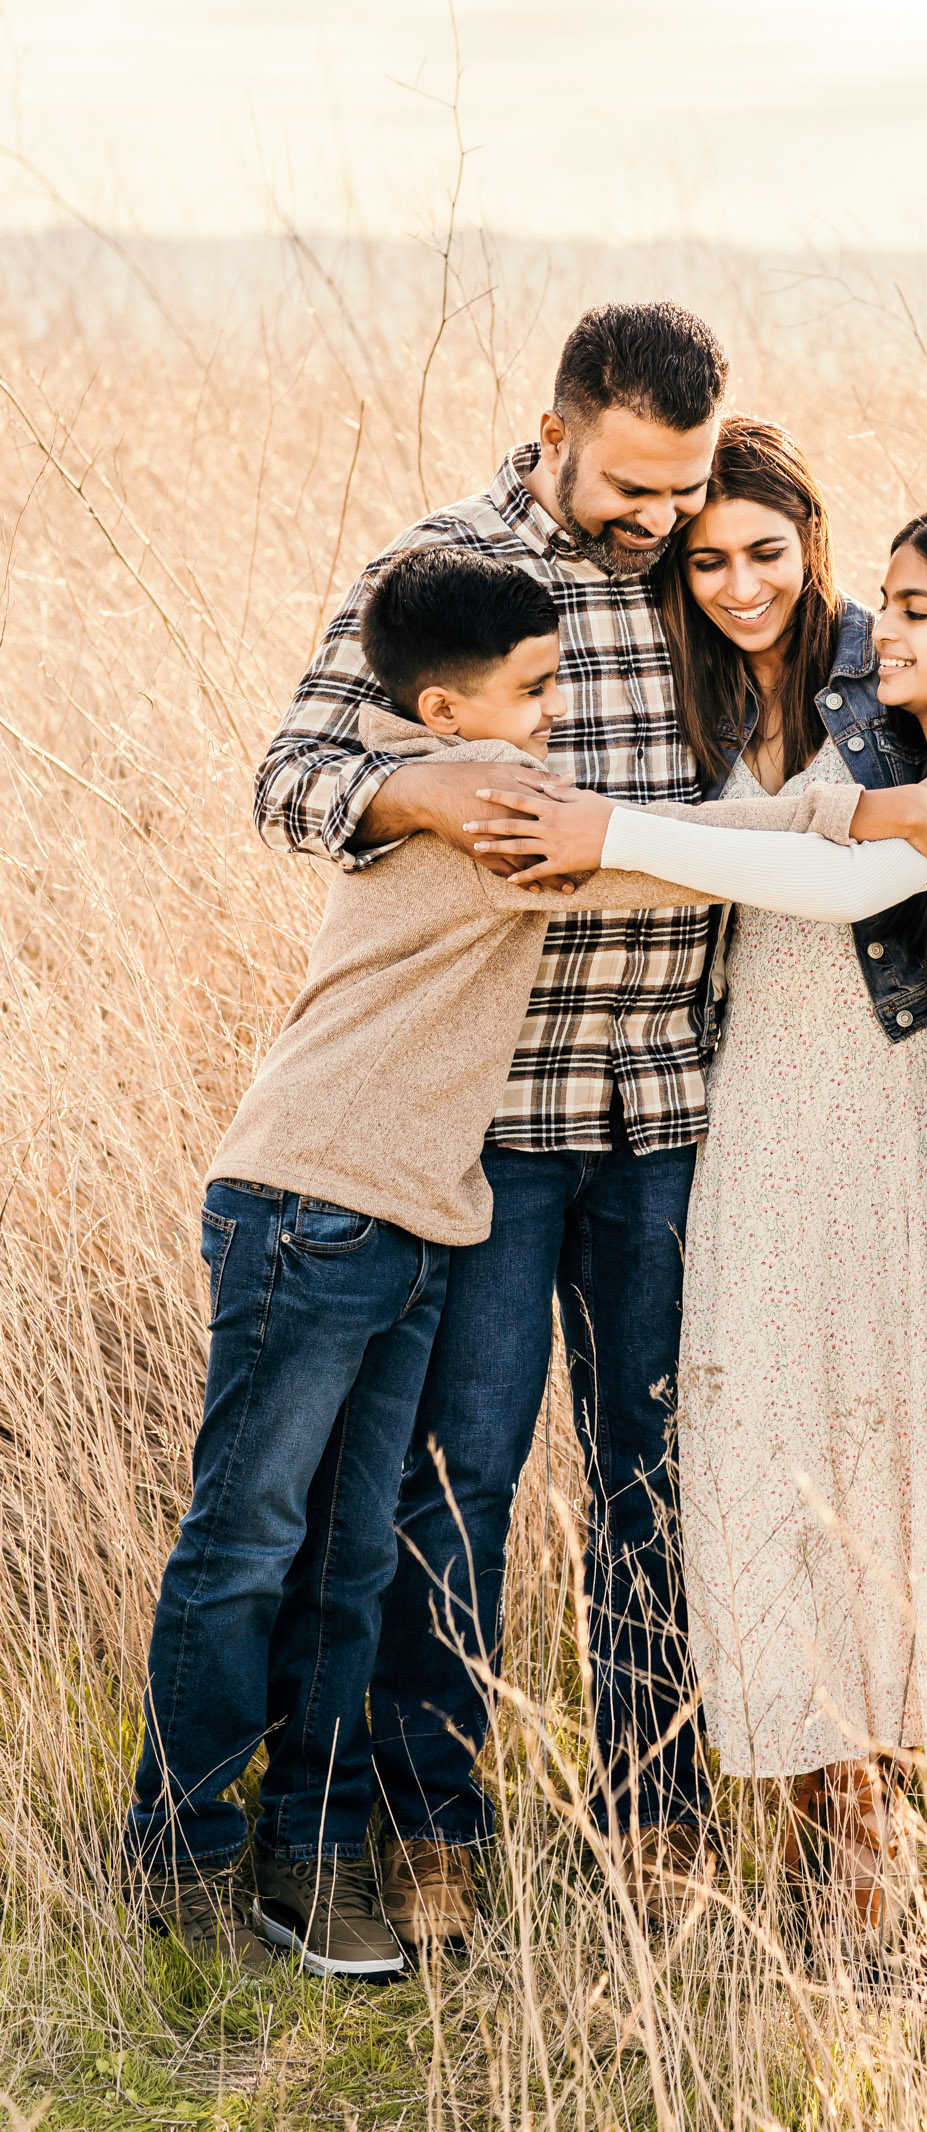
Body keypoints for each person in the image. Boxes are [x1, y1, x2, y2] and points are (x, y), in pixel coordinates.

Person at [248, 307, 927, 1942]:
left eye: (684, 490)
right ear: (556, 437)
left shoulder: (745, 588)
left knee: (659, 1476)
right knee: (460, 1478)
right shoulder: (451, 566)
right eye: (632, 489)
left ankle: (661, 1824)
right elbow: (292, 776)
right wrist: (429, 794)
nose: (665, 522)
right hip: (498, 1111)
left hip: (685, 1104)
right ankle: (434, 1832)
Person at [467, 500, 927, 1956]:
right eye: (890, 605)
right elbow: (861, 830)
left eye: (920, 611)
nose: (888, 634)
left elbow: (842, 880)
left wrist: (619, 831)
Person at [126, 552, 570, 1975]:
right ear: (446, 708)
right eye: (538, 689)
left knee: (353, 1562)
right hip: (308, 1205)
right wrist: (892, 820)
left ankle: (308, 1862)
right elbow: (687, 853)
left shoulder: (455, 770)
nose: (557, 712)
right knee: (249, 1543)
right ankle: (181, 1860)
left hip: (414, 1216)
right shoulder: (481, 800)